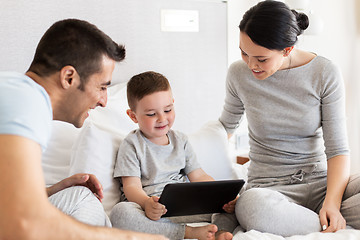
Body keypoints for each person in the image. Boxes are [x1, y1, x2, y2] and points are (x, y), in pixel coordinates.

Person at [0, 18, 167, 240]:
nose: (104, 101)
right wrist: (132, 237)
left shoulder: (14, 91)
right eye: (102, 87)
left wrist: (53, 189)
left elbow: (9, 202)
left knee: (78, 194)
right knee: (81, 199)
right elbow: (21, 223)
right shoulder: (26, 101)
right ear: (69, 78)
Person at [217, 0, 360, 237]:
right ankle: (332, 225)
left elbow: (337, 149)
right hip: (268, 191)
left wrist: (332, 203)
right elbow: (223, 131)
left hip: (321, 185)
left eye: (261, 59)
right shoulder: (238, 74)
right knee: (251, 207)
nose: (251, 64)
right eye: (244, 52)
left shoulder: (324, 73)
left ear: (287, 50)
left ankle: (323, 218)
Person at [109, 71, 235, 240]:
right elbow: (131, 187)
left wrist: (220, 195)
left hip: (185, 206)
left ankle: (216, 232)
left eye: (167, 110)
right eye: (152, 114)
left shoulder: (181, 140)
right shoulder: (131, 144)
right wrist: (147, 203)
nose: (162, 119)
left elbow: (198, 175)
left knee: (235, 206)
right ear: (133, 116)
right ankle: (188, 233)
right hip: (152, 212)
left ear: (173, 104)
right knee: (120, 213)